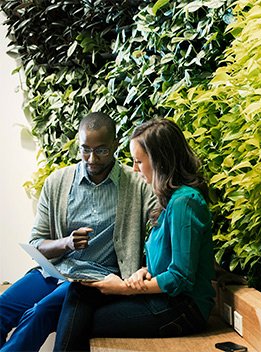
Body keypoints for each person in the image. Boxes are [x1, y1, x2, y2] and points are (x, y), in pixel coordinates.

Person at [53, 118, 216, 352]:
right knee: (80, 292)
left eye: (139, 161)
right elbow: (168, 259)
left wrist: (124, 288)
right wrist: (144, 271)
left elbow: (181, 277)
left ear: (161, 161)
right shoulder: (170, 201)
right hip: (164, 299)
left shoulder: (186, 202)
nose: (136, 169)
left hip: (183, 309)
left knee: (80, 322)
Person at [0, 112, 155, 351]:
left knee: (39, 313)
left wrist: (144, 269)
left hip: (93, 282)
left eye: (101, 150)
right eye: (85, 149)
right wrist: (67, 243)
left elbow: (161, 227)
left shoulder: (136, 185)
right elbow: (37, 242)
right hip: (53, 273)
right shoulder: (57, 182)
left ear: (115, 144)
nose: (91, 159)